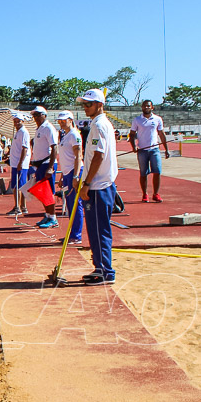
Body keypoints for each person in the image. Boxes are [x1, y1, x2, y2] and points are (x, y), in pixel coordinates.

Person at [76, 88, 119, 284]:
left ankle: (105, 271)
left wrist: (86, 183)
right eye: (84, 104)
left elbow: (99, 156)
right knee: (95, 230)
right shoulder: (99, 124)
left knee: (99, 230)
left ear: (99, 104)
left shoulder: (100, 125)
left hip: (98, 187)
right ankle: (100, 268)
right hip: (99, 185)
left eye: (89, 104)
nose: (85, 107)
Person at [128, 99, 169, 202]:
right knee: (143, 173)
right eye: (144, 106)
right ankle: (144, 194)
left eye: (148, 106)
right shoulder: (137, 120)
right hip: (142, 150)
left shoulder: (157, 119)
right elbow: (132, 134)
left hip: (154, 149)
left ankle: (156, 194)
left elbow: (161, 134)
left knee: (157, 172)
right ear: (142, 107)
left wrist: (166, 149)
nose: (146, 107)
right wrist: (133, 147)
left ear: (152, 107)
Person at [56, 111, 85, 244]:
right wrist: (63, 175)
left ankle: (76, 235)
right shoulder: (65, 135)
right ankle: (73, 233)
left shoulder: (74, 134)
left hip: (74, 172)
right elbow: (66, 157)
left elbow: (78, 156)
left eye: (63, 120)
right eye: (59, 121)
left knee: (75, 204)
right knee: (69, 204)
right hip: (68, 172)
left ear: (70, 120)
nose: (61, 123)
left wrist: (75, 175)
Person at [29, 106, 59, 227]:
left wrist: (50, 167)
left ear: (44, 115)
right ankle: (47, 215)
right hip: (40, 164)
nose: (35, 117)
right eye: (34, 115)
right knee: (42, 192)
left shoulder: (48, 128)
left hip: (47, 164)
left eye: (37, 115)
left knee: (48, 192)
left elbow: (54, 147)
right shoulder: (39, 129)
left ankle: (53, 217)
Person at [7, 111, 31, 216]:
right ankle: (22, 206)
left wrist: (20, 163)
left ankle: (18, 207)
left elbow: (25, 148)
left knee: (18, 186)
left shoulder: (23, 132)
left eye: (18, 121)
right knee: (19, 185)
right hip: (15, 162)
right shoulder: (18, 132)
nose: (16, 123)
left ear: (22, 121)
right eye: (15, 121)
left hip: (19, 163)